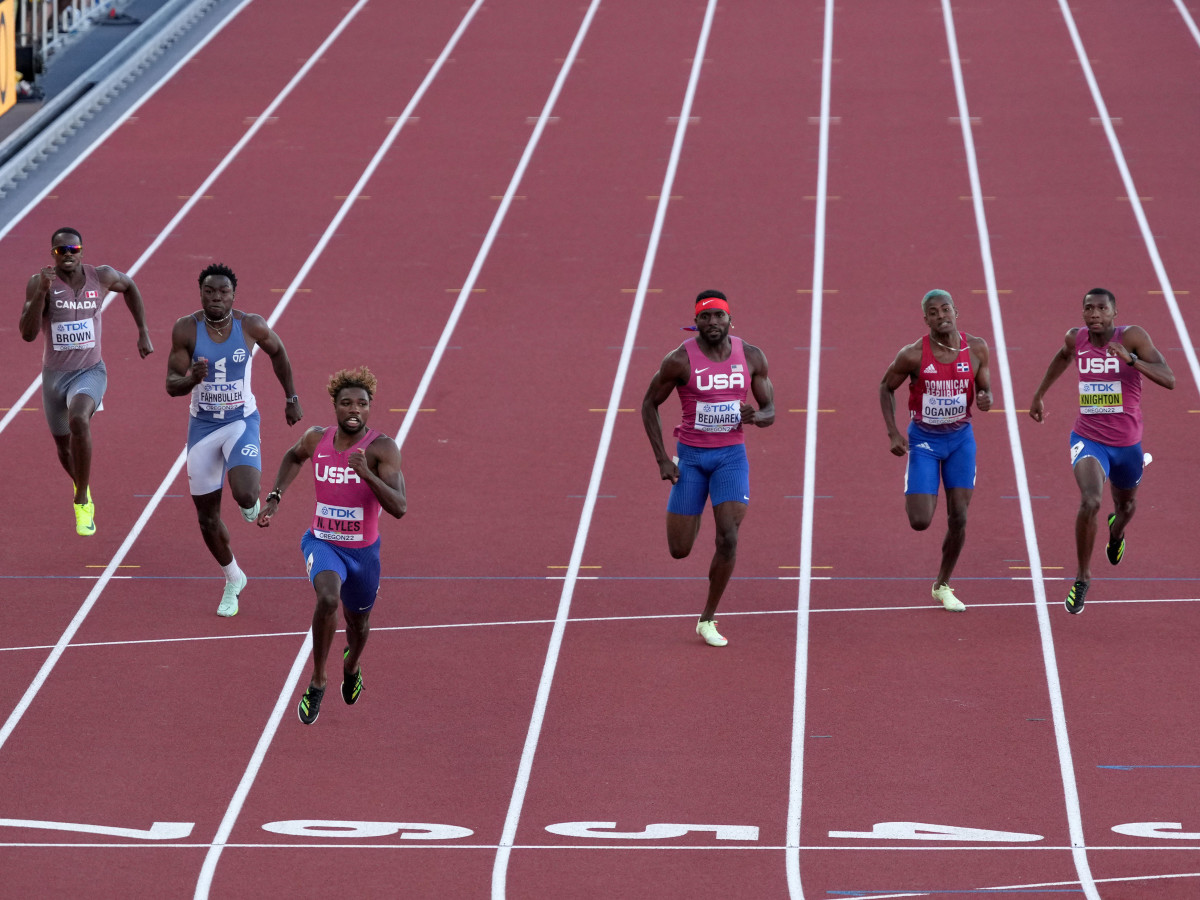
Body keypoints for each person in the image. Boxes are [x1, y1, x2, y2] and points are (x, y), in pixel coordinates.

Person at [256, 366, 406, 725]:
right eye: (346, 403)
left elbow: (399, 507)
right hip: (322, 542)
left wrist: (367, 473)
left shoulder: (381, 448)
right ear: (335, 407)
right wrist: (275, 497)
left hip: (363, 554)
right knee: (326, 597)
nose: (354, 410)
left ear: (369, 408)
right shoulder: (315, 439)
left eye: (362, 404)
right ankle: (318, 679)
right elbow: (293, 457)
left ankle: (351, 666)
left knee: (358, 624)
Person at [166, 263, 303, 617]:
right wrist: (192, 379)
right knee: (207, 519)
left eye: (223, 292)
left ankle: (249, 499)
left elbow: (279, 353)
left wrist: (291, 398)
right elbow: (170, 385)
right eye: (209, 291)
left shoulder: (250, 325)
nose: (216, 298)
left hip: (241, 420)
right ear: (201, 293)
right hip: (202, 428)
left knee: (244, 494)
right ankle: (233, 577)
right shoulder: (186, 328)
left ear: (233, 295)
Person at [641, 289, 775, 647]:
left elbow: (770, 409)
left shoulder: (751, 356)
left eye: (719, 316)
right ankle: (696, 504)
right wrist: (662, 459)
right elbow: (648, 405)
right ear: (695, 322)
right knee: (679, 549)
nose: (713, 323)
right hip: (692, 459)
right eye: (705, 317)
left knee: (728, 537)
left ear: (731, 319)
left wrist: (757, 416)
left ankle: (707, 618)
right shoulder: (679, 360)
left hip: (731, 457)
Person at [1029, 288, 1174, 614]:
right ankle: (1082, 578)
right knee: (1091, 499)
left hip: (1127, 446)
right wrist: (1039, 394)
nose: (1094, 313)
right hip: (1089, 439)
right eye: (1089, 308)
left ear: (1114, 313)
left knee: (1126, 507)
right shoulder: (1076, 339)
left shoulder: (1133, 337)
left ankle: (1116, 532)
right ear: (1083, 313)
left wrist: (1132, 360)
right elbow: (1063, 356)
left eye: (1102, 308)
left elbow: (1170, 378)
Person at [19, 226, 153, 535]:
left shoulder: (101, 276)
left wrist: (143, 330)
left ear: (82, 250)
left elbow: (130, 286)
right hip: (54, 378)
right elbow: (27, 334)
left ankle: (81, 501)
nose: (67, 255)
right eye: (60, 251)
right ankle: (84, 487)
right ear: (52, 254)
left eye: (73, 249)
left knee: (79, 418)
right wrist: (40, 292)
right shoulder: (39, 284)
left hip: (90, 371)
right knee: (64, 449)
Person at [879, 289, 993, 612]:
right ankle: (918, 482)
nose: (941, 316)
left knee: (959, 515)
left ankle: (942, 584)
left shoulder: (977, 348)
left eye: (946, 310)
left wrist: (987, 399)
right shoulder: (913, 354)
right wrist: (893, 433)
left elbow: (985, 389)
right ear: (925, 318)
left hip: (960, 440)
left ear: (956, 311)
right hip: (925, 441)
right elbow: (885, 386)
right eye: (933, 312)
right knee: (920, 520)